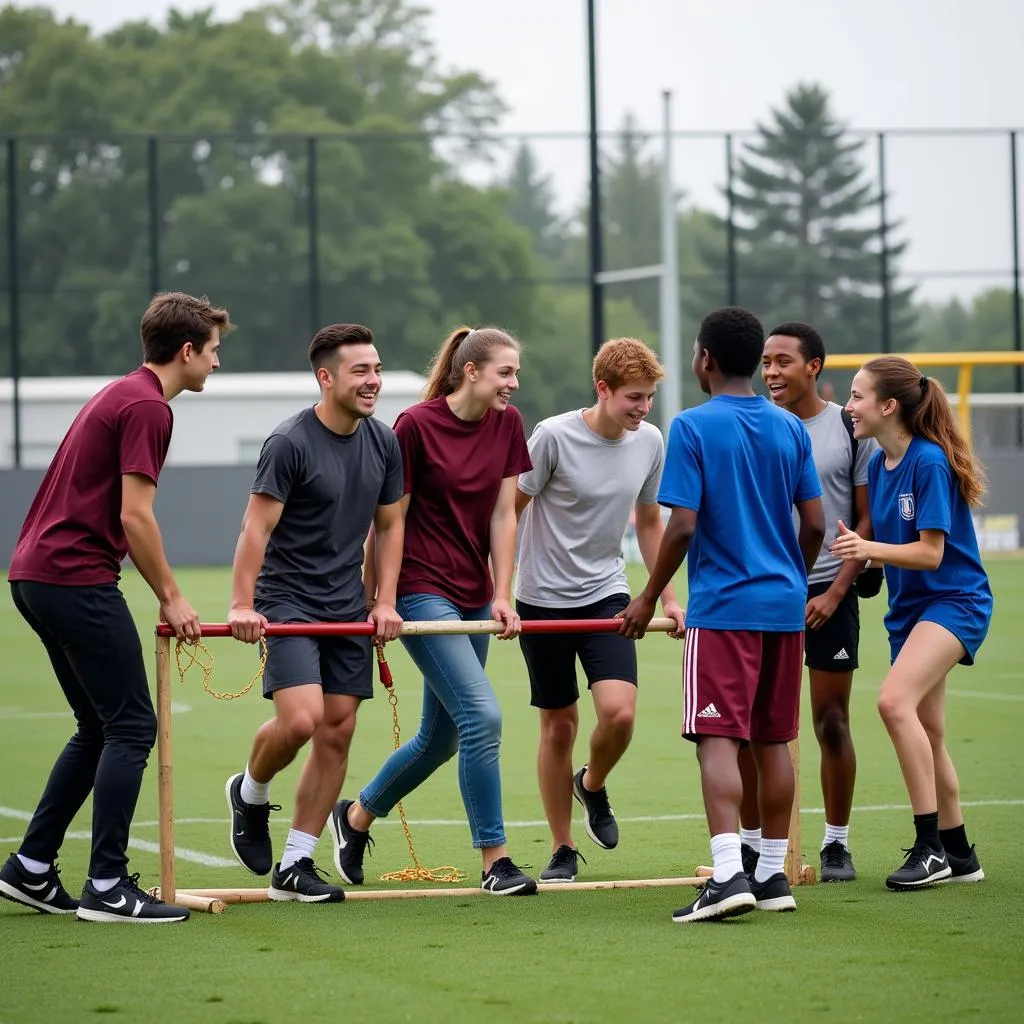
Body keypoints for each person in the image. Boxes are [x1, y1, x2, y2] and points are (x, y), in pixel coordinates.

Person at [1, 292, 230, 924]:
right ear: (186, 351)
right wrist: (174, 597)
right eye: (213, 352)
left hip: (34, 578)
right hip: (74, 580)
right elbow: (135, 516)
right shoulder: (148, 407)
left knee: (99, 726)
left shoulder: (123, 392)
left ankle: (32, 868)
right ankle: (107, 886)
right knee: (132, 727)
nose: (216, 364)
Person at [619, 307, 825, 923]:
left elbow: (680, 525)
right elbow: (813, 522)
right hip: (784, 608)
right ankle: (771, 876)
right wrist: (789, 574)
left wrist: (649, 595)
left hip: (725, 609)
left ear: (705, 358)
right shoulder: (790, 427)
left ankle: (728, 873)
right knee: (773, 740)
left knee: (717, 737)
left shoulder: (691, 427)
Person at [330, 325, 538, 896]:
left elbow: (504, 514)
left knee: (441, 738)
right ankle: (496, 861)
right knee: (483, 717)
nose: (514, 384)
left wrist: (502, 592)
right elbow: (388, 520)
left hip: (474, 593)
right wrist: (383, 598)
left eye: (516, 373)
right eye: (505, 372)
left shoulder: (509, 425)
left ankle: (353, 820)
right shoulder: (416, 426)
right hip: (422, 589)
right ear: (470, 371)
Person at [224, 324, 404, 903]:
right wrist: (241, 604)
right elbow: (256, 526)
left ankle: (295, 864)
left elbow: (390, 524)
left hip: (347, 603)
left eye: (376, 369)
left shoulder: (383, 441)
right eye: (360, 371)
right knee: (301, 720)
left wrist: (384, 599)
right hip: (289, 601)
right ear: (325, 377)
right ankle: (249, 793)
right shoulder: (289, 442)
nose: (373, 380)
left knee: (339, 728)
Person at [514, 338, 685, 883]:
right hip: (540, 599)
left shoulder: (651, 441)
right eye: (634, 397)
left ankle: (590, 784)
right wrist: (500, 590)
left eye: (650, 398)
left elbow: (651, 522)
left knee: (619, 712)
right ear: (603, 389)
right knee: (559, 726)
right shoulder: (553, 436)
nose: (643, 408)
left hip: (607, 593)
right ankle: (563, 847)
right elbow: (509, 511)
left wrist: (667, 597)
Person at [832, 356, 991, 891]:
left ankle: (930, 848)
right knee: (930, 732)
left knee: (892, 702)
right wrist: (871, 567)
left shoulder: (928, 462)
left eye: (857, 396)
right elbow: (892, 551)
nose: (849, 407)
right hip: (910, 613)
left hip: (954, 601)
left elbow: (928, 553)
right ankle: (961, 853)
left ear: (888, 406)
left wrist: (866, 548)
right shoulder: (878, 464)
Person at [737, 322, 878, 883]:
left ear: (814, 366)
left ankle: (837, 844)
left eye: (782, 362)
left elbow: (864, 520)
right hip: (766, 592)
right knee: (752, 726)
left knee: (830, 721)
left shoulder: (849, 428)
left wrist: (837, 589)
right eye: (765, 362)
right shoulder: (755, 424)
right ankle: (750, 848)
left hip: (827, 592)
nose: (770, 372)